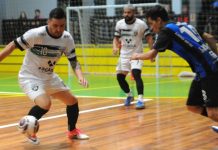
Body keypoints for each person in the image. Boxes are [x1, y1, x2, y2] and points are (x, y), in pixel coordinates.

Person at [0, 8, 89, 144]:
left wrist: (80, 76)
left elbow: (73, 60)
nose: (58, 29)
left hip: (49, 76)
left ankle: (72, 131)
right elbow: (12, 45)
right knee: (45, 103)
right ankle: (28, 130)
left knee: (72, 101)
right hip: (30, 77)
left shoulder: (67, 38)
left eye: (62, 26)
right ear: (48, 22)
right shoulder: (36, 34)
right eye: (55, 25)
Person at [131, 5, 218, 130]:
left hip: (209, 71)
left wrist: (136, 55)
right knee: (193, 106)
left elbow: (151, 54)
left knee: (212, 112)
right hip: (205, 70)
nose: (151, 27)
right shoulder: (183, 25)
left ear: (159, 20)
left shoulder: (166, 31)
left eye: (151, 23)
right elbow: (209, 37)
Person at [113, 4, 153, 109]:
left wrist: (152, 52)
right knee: (119, 77)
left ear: (133, 13)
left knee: (136, 74)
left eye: (128, 12)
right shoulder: (119, 24)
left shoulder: (141, 24)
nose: (126, 14)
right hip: (124, 55)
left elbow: (149, 38)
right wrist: (115, 47)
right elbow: (116, 38)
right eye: (125, 12)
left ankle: (140, 99)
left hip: (137, 54)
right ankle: (129, 95)